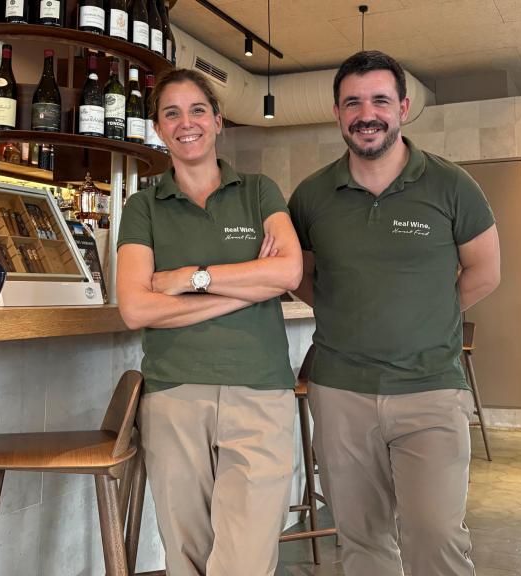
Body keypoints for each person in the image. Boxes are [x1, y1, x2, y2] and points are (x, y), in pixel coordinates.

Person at [288, 51, 501, 576]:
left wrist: (427, 313)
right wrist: (344, 309)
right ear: (338, 113)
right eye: (353, 102)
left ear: (403, 108)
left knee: (436, 537)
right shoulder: (313, 195)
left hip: (429, 390)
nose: (368, 113)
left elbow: (485, 271)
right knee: (362, 541)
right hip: (340, 391)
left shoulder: (452, 186)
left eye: (380, 100)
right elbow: (299, 274)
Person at [115, 69, 302, 576]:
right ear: (157, 129)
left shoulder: (259, 191)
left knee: (245, 559)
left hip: (260, 392)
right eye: (171, 113)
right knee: (186, 556)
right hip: (175, 393)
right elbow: (136, 308)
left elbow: (288, 270)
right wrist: (246, 292)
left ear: (218, 120)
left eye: (198, 110)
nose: (186, 123)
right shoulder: (143, 206)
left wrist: (191, 277)